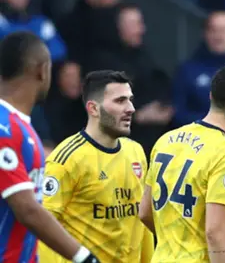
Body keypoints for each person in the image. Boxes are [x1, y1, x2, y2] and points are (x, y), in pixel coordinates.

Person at [139, 64, 225, 262]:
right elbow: (215, 231)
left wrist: (174, 242)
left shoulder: (166, 140)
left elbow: (144, 212)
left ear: (211, 96)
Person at [0, 31, 98, 262]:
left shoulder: (23, 127)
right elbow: (27, 209)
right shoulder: (4, 127)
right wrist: (83, 256)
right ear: (41, 70)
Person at [38, 70, 154, 262]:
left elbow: (140, 220)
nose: (131, 108)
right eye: (120, 101)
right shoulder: (67, 159)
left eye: (130, 100)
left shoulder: (136, 152)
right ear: (93, 109)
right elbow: (44, 227)